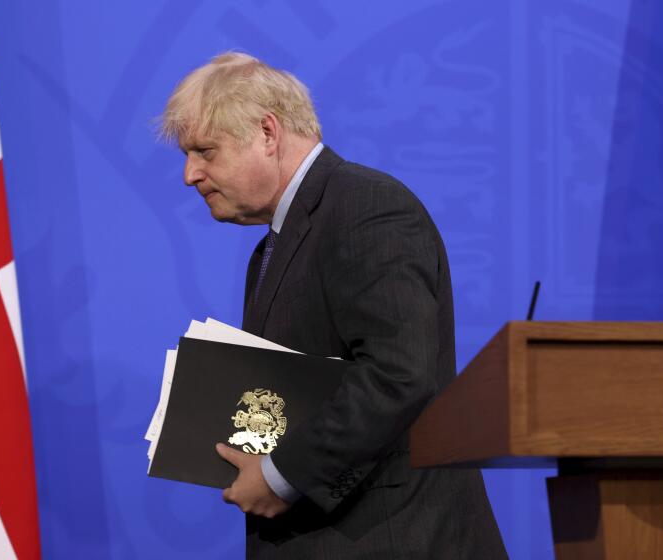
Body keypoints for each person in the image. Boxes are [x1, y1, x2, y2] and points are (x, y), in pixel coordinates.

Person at [161, 51, 507, 559]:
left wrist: (281, 476)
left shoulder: (367, 208)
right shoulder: (271, 247)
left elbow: (398, 373)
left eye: (205, 151)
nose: (191, 174)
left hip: (392, 539)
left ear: (268, 132)